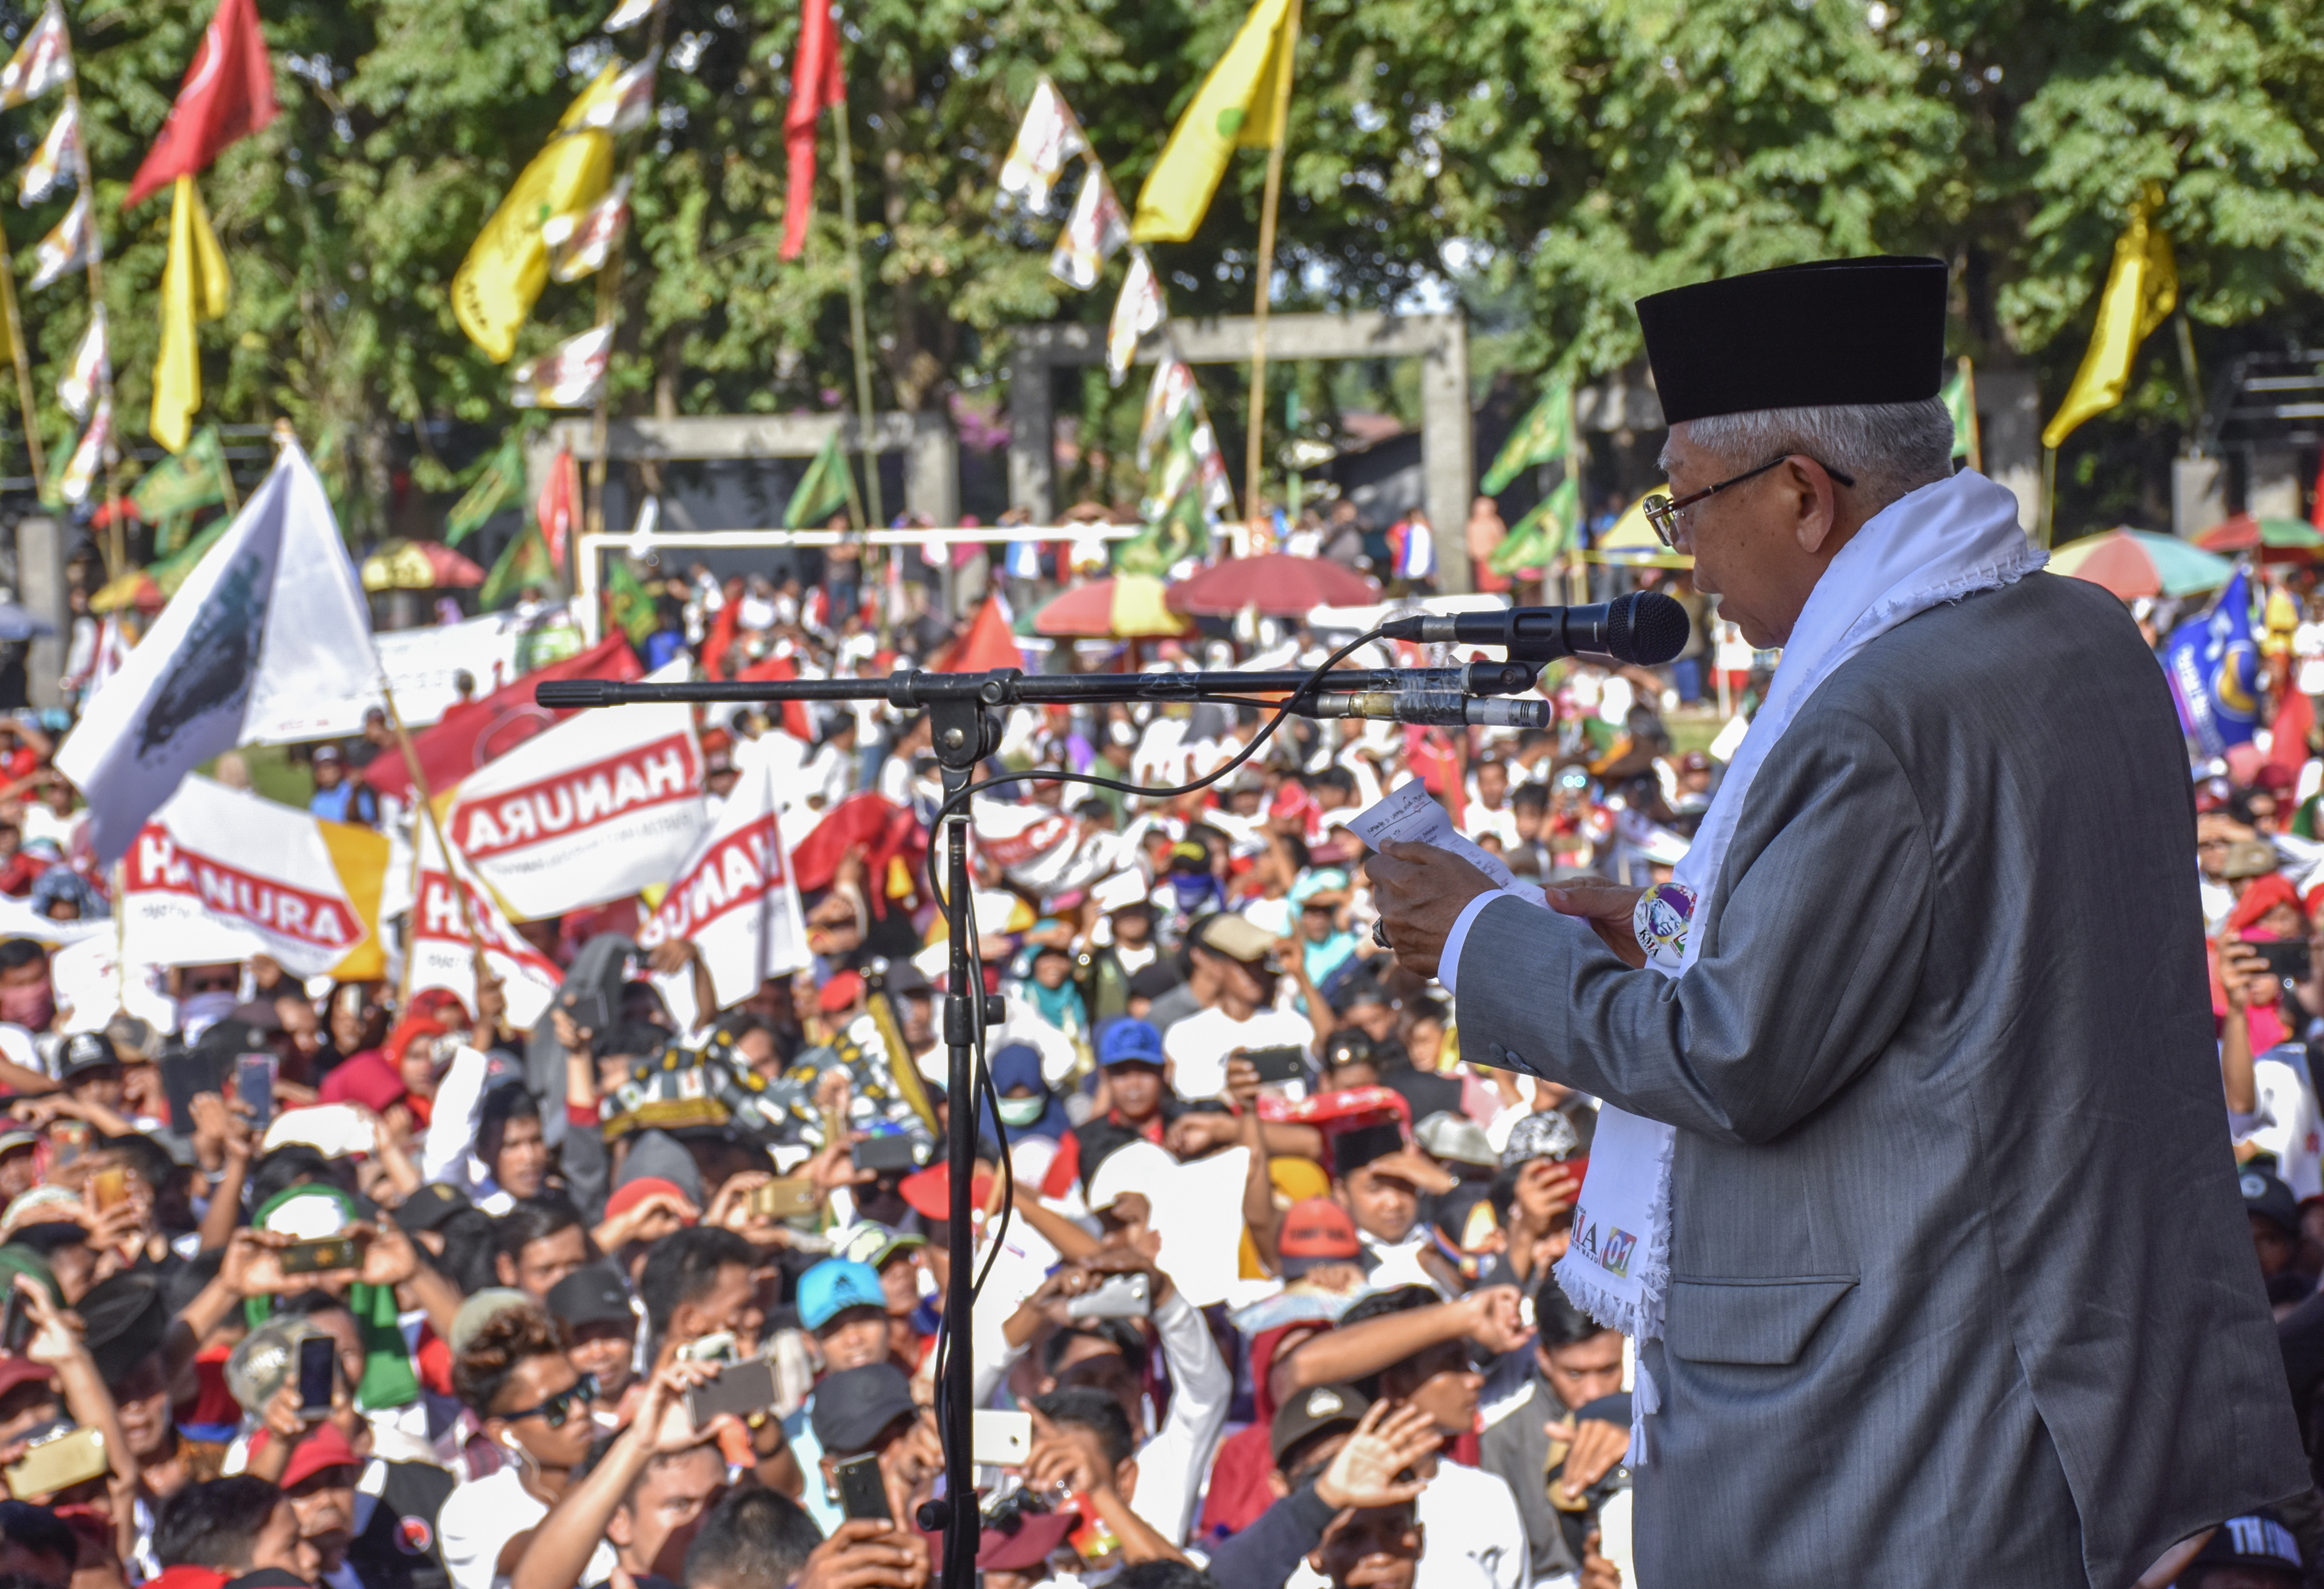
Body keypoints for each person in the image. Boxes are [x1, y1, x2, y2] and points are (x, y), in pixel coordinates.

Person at [1366, 255, 2307, 1584]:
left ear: (1804, 495)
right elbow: (1959, 951)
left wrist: (1478, 937)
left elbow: (1730, 1056)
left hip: (1916, 1410)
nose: (1676, 547)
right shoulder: (2079, 636)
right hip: (2095, 1349)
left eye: (1683, 501)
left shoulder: (1876, 710)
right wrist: (1657, 927)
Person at [437, 1306, 617, 1589]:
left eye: (582, 1390)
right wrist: (615, 1470)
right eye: (556, 1408)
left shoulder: (621, 1463)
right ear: (504, 1432)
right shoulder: (472, 1509)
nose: (580, 1410)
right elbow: (530, 1563)